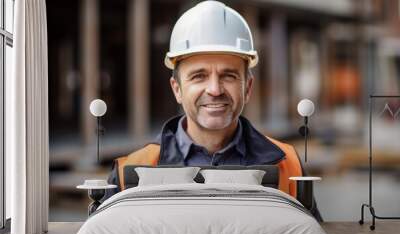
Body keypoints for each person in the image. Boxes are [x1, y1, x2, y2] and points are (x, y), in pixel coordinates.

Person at [105, 1, 321, 220]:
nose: (215, 90)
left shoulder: (288, 165)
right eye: (199, 76)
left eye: (229, 75)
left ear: (247, 87)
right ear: (177, 89)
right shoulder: (128, 173)